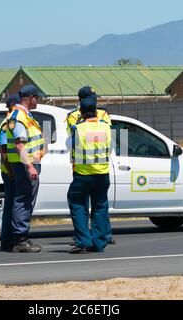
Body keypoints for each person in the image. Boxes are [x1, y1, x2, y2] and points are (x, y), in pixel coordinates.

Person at [66, 86, 116, 246]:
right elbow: (112, 144)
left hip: (82, 170)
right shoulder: (105, 121)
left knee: (79, 204)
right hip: (102, 170)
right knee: (100, 206)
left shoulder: (75, 122)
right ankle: (100, 241)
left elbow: (70, 144)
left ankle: (84, 239)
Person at [6, 85, 46, 253]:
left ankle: (21, 238)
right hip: (24, 165)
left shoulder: (25, 116)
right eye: (37, 97)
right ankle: (20, 239)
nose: (38, 100)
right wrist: (29, 166)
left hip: (28, 163)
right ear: (30, 98)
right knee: (24, 200)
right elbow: (19, 144)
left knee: (25, 199)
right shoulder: (19, 117)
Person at [0, 94, 20, 251]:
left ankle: (9, 240)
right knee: (10, 207)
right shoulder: (7, 125)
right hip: (9, 171)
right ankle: (7, 241)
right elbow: (4, 151)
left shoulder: (12, 122)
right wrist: (11, 172)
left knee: (12, 206)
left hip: (12, 170)